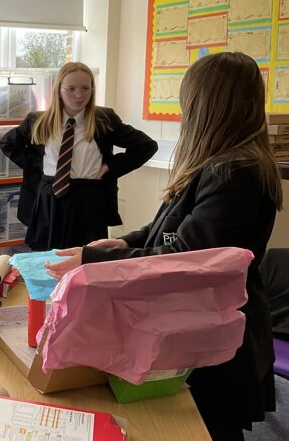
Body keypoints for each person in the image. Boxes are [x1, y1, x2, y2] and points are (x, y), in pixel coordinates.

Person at [46, 52, 282, 441]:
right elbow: (171, 228)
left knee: (202, 429)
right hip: (198, 324)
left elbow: (184, 259)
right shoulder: (214, 163)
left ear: (206, 104)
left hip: (217, 339)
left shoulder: (235, 172)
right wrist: (125, 241)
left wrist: (95, 259)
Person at [0, 61, 157, 250]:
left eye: (85, 88)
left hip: (88, 199)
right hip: (50, 198)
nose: (79, 95)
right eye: (71, 89)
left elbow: (146, 146)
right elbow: (8, 143)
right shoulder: (39, 120)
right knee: (46, 256)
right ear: (59, 89)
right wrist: (41, 165)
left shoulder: (103, 120)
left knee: (88, 255)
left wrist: (111, 166)